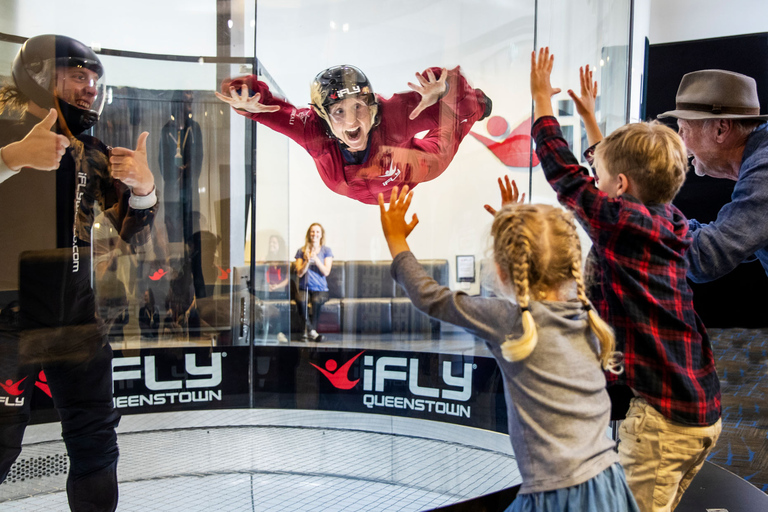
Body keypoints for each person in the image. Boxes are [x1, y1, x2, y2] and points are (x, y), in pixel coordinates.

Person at [530, 48, 721, 511]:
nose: (596, 184)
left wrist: (541, 104)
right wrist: (593, 120)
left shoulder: (621, 224)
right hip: (700, 411)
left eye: (603, 180)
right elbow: (615, 172)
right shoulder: (669, 220)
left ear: (617, 188)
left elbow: (566, 175)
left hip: (663, 420)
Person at [378, 183, 638, 512]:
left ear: (501, 271)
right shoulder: (585, 315)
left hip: (557, 495)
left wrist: (397, 241)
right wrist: (513, 226)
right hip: (609, 483)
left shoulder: (509, 321)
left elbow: (430, 297)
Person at [0, 35, 157, 511]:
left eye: (94, 79)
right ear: (41, 76)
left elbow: (132, 234)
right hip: (8, 320)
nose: (89, 88)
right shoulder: (5, 128)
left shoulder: (91, 149)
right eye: (77, 76)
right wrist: (12, 157)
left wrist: (145, 188)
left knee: (96, 446)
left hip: (76, 317)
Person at [215, 64, 492, 205]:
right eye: (338, 111)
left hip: (407, 172)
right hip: (367, 187)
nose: (352, 121)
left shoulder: (394, 115)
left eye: (358, 106)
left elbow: (456, 106)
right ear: (323, 115)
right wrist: (247, 95)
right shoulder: (312, 128)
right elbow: (270, 108)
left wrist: (445, 91)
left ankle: (483, 104)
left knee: (448, 135)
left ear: (372, 108)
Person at [656, 69, 768, 283]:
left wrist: (645, 212)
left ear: (721, 129)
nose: (679, 143)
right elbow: (726, 233)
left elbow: (706, 259)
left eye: (683, 130)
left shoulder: (764, 169)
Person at [159, 90, 203, 245]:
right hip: (172, 191)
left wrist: (187, 171)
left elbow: (198, 158)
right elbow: (162, 161)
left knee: (191, 228)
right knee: (173, 229)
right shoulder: (166, 130)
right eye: (186, 102)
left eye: (190, 102)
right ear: (177, 103)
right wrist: (174, 173)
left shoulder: (194, 128)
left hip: (190, 189)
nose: (189, 107)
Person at [293, 223, 333, 341]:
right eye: (312, 231)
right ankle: (312, 332)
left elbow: (326, 272)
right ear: (309, 234)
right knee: (301, 300)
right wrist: (307, 261)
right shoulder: (301, 251)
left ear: (321, 235)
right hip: (303, 287)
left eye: (317, 232)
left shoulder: (326, 250)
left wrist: (315, 259)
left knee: (316, 301)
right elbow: (300, 273)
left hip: (320, 289)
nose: (314, 234)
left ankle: (307, 331)